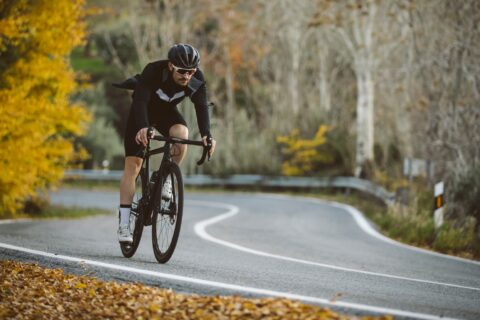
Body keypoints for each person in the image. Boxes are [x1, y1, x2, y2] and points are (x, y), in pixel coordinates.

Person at [114, 44, 216, 243]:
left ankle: (167, 179)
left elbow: (201, 107)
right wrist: (143, 127)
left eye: (191, 71)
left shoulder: (196, 79)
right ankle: (124, 224)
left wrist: (206, 135)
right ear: (170, 66)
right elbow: (140, 101)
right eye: (182, 71)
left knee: (181, 133)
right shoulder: (153, 71)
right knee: (133, 165)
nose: (187, 76)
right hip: (142, 113)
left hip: (165, 114)